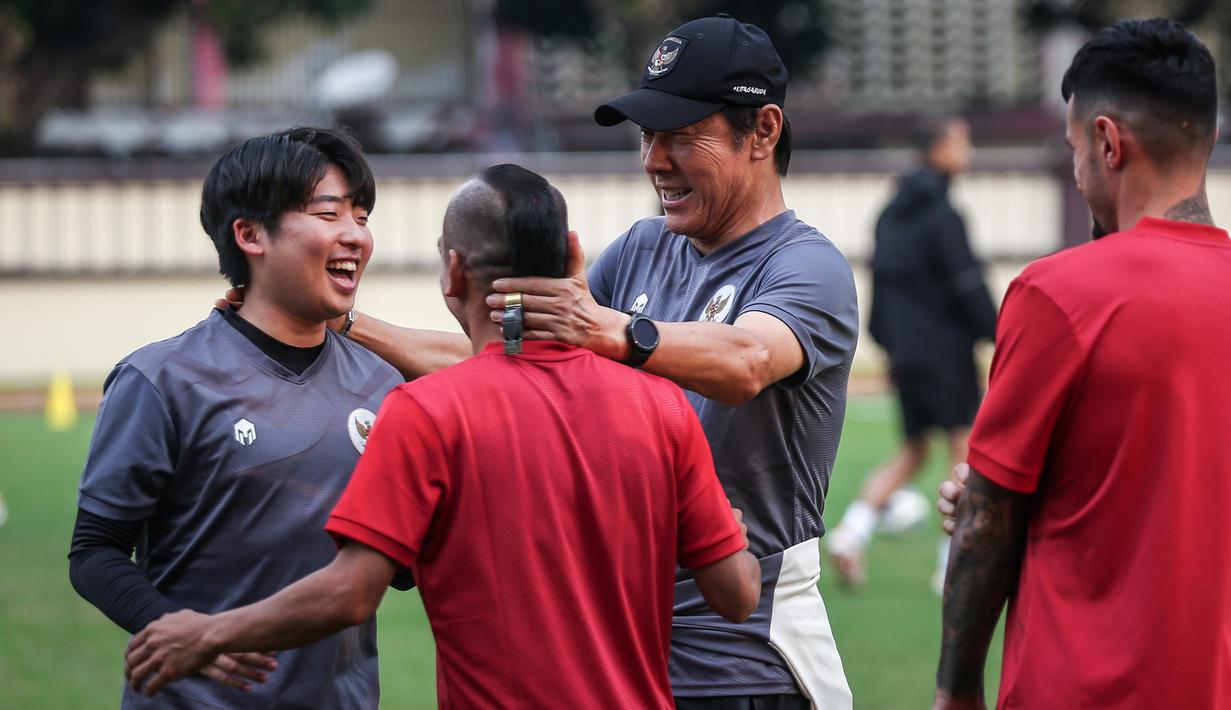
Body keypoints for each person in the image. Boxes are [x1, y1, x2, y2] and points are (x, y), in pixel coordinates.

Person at [301, 15, 858, 707]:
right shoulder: (643, 248)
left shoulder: (805, 265)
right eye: (648, 136)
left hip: (745, 658)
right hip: (626, 653)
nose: (654, 159)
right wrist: (341, 323)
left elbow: (744, 359)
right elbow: (509, 365)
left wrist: (615, 332)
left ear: (764, 131)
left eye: (682, 137)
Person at [123, 164, 763, 708]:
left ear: (454, 272)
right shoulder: (662, 406)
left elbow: (350, 593)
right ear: (571, 256)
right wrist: (726, 533)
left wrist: (208, 634)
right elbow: (736, 596)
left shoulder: (426, 412)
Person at [933, 18, 1231, 709]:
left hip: (1077, 689)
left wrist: (955, 689)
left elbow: (988, 518)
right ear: (1206, 135)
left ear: (1105, 142)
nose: (1075, 172)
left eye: (1073, 151)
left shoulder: (1059, 294)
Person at [69, 127, 405, 708]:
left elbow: (401, 568)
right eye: (330, 213)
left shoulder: (383, 385)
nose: (355, 234)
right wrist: (194, 637)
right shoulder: (164, 378)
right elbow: (96, 551)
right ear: (250, 234)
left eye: (362, 215)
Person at [826, 116, 997, 591]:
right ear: (938, 150)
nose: (968, 153)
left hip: (906, 353)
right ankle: (951, 563)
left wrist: (887, 342)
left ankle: (850, 533)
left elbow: (880, 284)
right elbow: (967, 283)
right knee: (962, 449)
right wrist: (1000, 331)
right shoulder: (944, 215)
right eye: (960, 143)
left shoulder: (890, 212)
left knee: (914, 451)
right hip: (946, 352)